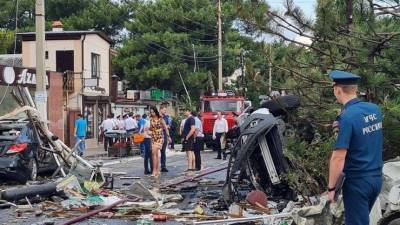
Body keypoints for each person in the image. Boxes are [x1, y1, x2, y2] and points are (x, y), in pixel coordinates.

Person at [328, 70, 383, 225]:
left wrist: (332, 189)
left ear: (337, 89)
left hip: (357, 183)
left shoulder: (346, 117)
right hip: (376, 179)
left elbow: (338, 157)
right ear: (355, 89)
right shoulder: (375, 110)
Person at [149, 106, 170, 178]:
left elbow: (165, 128)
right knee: (155, 155)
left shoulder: (160, 119)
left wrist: (168, 136)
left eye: (153, 112)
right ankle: (157, 170)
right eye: (151, 112)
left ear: (156, 112)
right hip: (153, 138)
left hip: (160, 138)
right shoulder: (150, 119)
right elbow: (150, 129)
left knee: (154, 153)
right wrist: (148, 131)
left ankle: (154, 171)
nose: (152, 113)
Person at [160, 105, 172, 172]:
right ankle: (154, 167)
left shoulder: (167, 117)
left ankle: (163, 166)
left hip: (164, 134)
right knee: (155, 152)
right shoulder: (157, 116)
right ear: (160, 109)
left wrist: (168, 136)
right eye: (164, 110)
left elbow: (168, 126)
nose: (165, 111)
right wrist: (164, 126)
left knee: (163, 151)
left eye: (165, 110)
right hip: (157, 135)